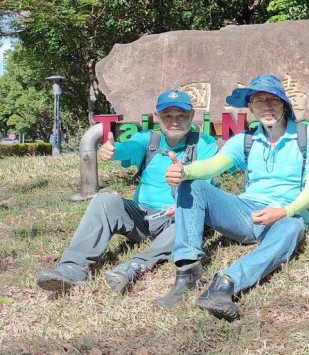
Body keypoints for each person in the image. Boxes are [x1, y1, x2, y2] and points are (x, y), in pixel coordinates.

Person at [165, 74, 309, 320]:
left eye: (273, 100)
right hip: (246, 211)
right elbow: (215, 164)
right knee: (193, 185)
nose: (267, 106)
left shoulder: (308, 136)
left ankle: (224, 285)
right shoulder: (246, 139)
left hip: (284, 215)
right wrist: (184, 171)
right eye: (260, 101)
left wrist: (286, 211)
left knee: (293, 228)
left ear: (284, 104)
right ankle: (187, 271)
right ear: (251, 107)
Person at [35, 90, 218, 303]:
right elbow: (124, 148)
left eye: (181, 115)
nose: (174, 121)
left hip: (177, 216)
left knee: (187, 217)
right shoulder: (147, 139)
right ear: (157, 116)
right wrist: (111, 151)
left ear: (192, 115)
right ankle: (72, 267)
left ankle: (134, 266)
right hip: (142, 215)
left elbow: (206, 184)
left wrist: (179, 205)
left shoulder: (205, 144)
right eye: (167, 115)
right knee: (104, 201)